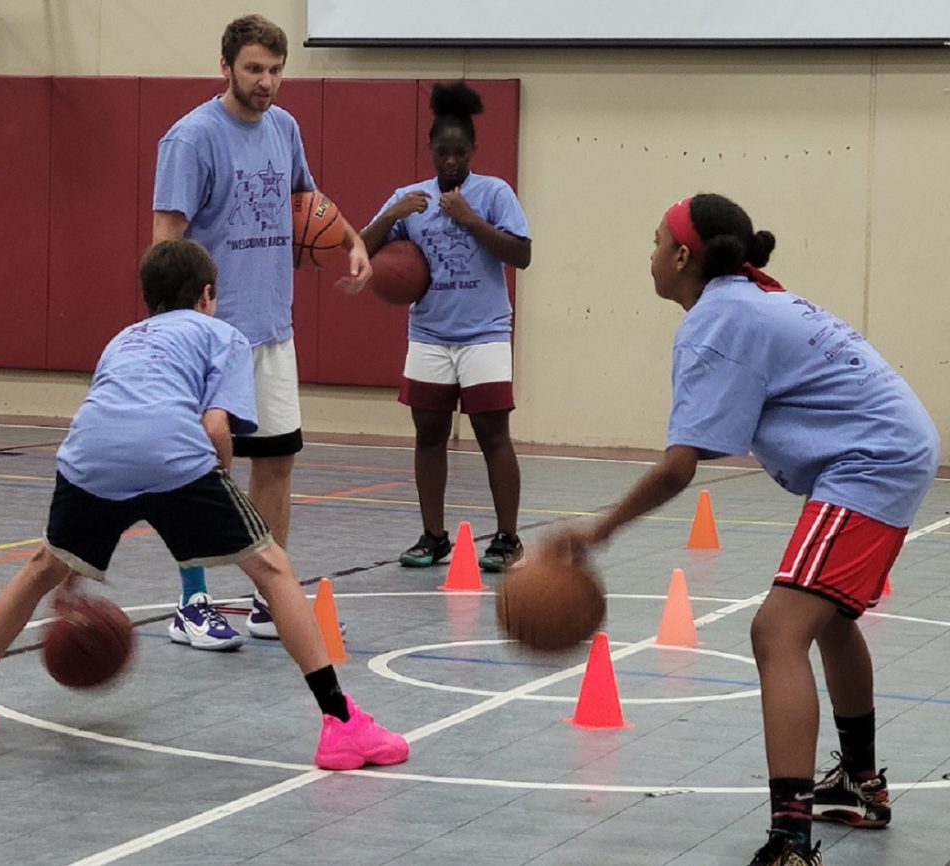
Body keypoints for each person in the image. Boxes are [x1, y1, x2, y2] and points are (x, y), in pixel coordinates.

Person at [545, 194, 938, 866]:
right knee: (830, 618)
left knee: (776, 630)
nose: (648, 252)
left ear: (679, 256)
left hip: (871, 461)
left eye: (654, 238)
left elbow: (678, 469)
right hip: (891, 450)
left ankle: (791, 840)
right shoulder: (748, 300)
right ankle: (861, 784)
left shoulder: (719, 317)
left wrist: (600, 529)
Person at [0, 239, 408, 772]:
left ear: (149, 300)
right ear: (206, 295)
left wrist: (73, 565)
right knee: (272, 570)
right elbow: (215, 426)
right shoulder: (223, 334)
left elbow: (115, 413)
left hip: (89, 453)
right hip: (172, 452)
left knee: (43, 564)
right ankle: (342, 724)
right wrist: (213, 484)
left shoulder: (123, 339)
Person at [152, 14, 370, 647]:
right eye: (254, 69)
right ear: (226, 67)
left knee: (276, 462)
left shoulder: (285, 128)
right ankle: (191, 602)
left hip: (274, 326)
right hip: (209, 333)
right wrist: (172, 328)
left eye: (275, 71)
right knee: (197, 467)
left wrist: (352, 241)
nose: (266, 82)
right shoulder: (190, 139)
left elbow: (310, 202)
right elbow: (165, 241)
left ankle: (266, 599)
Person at [360, 81, 532, 574]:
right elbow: (360, 248)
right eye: (443, 152)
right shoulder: (409, 198)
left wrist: (472, 220)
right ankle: (434, 536)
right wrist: (391, 214)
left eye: (460, 152)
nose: (451, 161)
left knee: (492, 435)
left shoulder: (494, 192)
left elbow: (522, 254)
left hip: (485, 334)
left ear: (473, 151)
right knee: (428, 435)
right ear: (431, 150)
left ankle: (507, 538)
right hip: (430, 335)